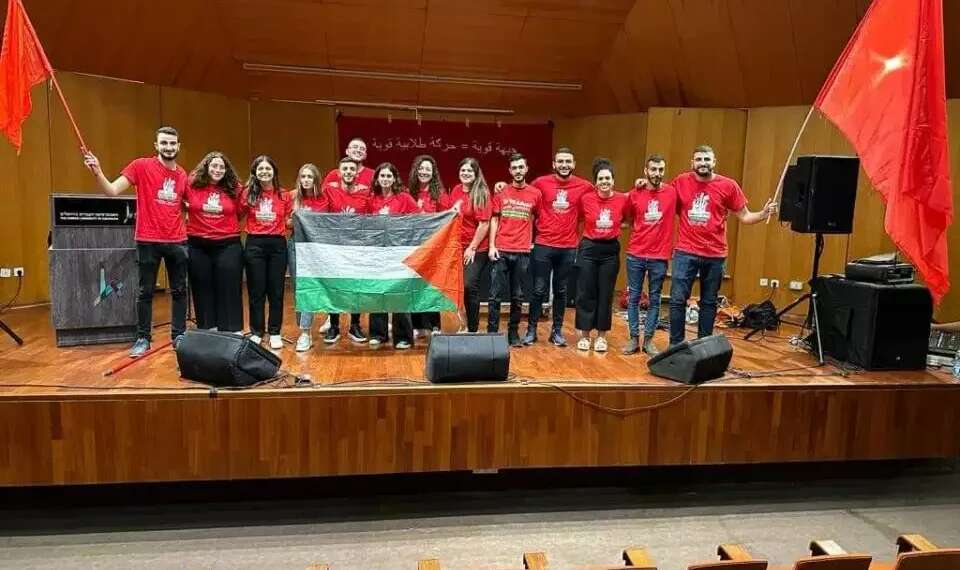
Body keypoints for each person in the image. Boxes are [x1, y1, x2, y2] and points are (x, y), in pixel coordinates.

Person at [83, 126, 189, 357]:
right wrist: (98, 171)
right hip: (148, 239)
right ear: (156, 145)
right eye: (164, 143)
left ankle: (179, 336)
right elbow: (112, 191)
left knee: (180, 290)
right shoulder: (141, 166)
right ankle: (143, 338)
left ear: (178, 146)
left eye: (172, 143)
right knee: (145, 292)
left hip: (178, 241)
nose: (168, 147)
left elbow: (192, 204)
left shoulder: (183, 175)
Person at [668, 145, 776, 346]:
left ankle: (704, 345)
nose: (703, 163)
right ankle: (676, 346)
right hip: (685, 251)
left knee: (709, 302)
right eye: (699, 159)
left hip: (715, 254)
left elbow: (745, 216)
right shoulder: (680, 182)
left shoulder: (728, 185)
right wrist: (644, 185)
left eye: (706, 159)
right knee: (676, 300)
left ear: (714, 162)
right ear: (692, 163)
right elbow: (663, 201)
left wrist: (763, 213)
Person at [521, 147, 594, 347]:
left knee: (561, 291)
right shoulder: (540, 183)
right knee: (538, 290)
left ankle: (557, 331)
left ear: (574, 164)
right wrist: (502, 185)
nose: (564, 165)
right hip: (544, 244)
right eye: (560, 161)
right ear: (554, 164)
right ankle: (531, 330)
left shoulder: (585, 186)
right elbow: (524, 196)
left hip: (568, 247)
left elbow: (605, 195)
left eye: (568, 162)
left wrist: (638, 186)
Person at [184, 151, 244, 334]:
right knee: (202, 287)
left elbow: (240, 213)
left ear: (226, 170)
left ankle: (231, 331)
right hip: (198, 244)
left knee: (229, 287)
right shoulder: (191, 184)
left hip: (228, 244)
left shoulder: (235, 188)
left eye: (221, 167)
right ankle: (208, 330)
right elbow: (180, 202)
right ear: (206, 167)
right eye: (214, 166)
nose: (218, 170)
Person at [622, 154, 675, 356]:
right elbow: (625, 215)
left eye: (661, 169)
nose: (657, 173)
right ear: (646, 171)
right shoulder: (635, 193)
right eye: (653, 169)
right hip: (636, 253)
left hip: (659, 256)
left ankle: (649, 340)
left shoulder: (672, 192)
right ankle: (634, 338)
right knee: (634, 297)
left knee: (655, 299)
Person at [574, 158, 629, 352]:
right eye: (601, 178)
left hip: (610, 251)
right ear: (595, 182)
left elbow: (628, 219)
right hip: (589, 248)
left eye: (608, 178)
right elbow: (580, 217)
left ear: (613, 180)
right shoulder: (586, 199)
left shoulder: (623, 199)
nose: (604, 181)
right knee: (586, 292)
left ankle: (601, 337)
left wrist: (613, 228)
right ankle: (585, 335)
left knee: (605, 294)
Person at [487, 153, 540, 346]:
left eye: (521, 167)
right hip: (501, 249)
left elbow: (538, 218)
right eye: (514, 168)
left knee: (517, 296)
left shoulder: (536, 194)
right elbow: (494, 218)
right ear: (510, 171)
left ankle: (513, 333)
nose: (518, 171)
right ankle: (492, 333)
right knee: (494, 295)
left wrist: (531, 240)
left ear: (526, 169)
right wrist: (492, 245)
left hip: (522, 252)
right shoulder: (501, 192)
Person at [241, 155, 292, 349]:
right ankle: (256, 331)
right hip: (255, 244)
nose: (264, 172)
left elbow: (287, 220)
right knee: (256, 291)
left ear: (274, 172)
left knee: (276, 291)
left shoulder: (283, 195)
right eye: (260, 169)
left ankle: (275, 331)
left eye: (268, 169)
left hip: (277, 245)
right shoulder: (249, 194)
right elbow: (236, 212)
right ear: (255, 172)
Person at [368, 162, 419, 349]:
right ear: (377, 179)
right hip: (378, 253)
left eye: (389, 176)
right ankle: (378, 334)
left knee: (399, 294)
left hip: (399, 253)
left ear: (395, 178)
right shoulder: (371, 199)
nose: (385, 179)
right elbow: (364, 224)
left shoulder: (404, 198)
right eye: (382, 176)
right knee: (378, 292)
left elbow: (418, 220)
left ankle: (403, 337)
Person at [323, 157, 371, 344]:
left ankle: (355, 325)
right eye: (345, 169)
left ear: (357, 173)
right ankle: (334, 326)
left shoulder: (366, 193)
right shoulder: (329, 190)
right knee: (334, 286)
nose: (349, 171)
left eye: (352, 169)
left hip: (357, 247)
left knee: (355, 287)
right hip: (334, 247)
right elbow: (307, 194)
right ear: (339, 171)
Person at [408, 155, 449, 336]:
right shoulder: (408, 192)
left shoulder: (439, 194)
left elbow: (446, 220)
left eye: (427, 169)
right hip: (412, 248)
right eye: (421, 168)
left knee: (431, 287)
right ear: (416, 171)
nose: (424, 172)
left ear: (433, 174)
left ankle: (434, 325)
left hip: (433, 248)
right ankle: (416, 325)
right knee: (413, 287)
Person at [450, 157, 493, 333]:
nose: (465, 173)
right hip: (456, 247)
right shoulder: (455, 190)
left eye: (469, 171)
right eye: (463, 170)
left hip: (476, 249)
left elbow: (484, 224)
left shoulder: (482, 193)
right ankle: (464, 324)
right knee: (459, 288)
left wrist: (472, 247)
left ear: (476, 174)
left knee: (469, 285)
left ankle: (473, 329)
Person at [291, 164, 328, 352]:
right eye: (303, 176)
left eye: (310, 177)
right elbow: (283, 222)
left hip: (318, 249)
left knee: (312, 287)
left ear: (316, 180)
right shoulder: (292, 198)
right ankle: (303, 329)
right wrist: (293, 220)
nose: (306, 180)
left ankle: (306, 332)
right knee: (300, 288)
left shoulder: (323, 199)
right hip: (296, 246)